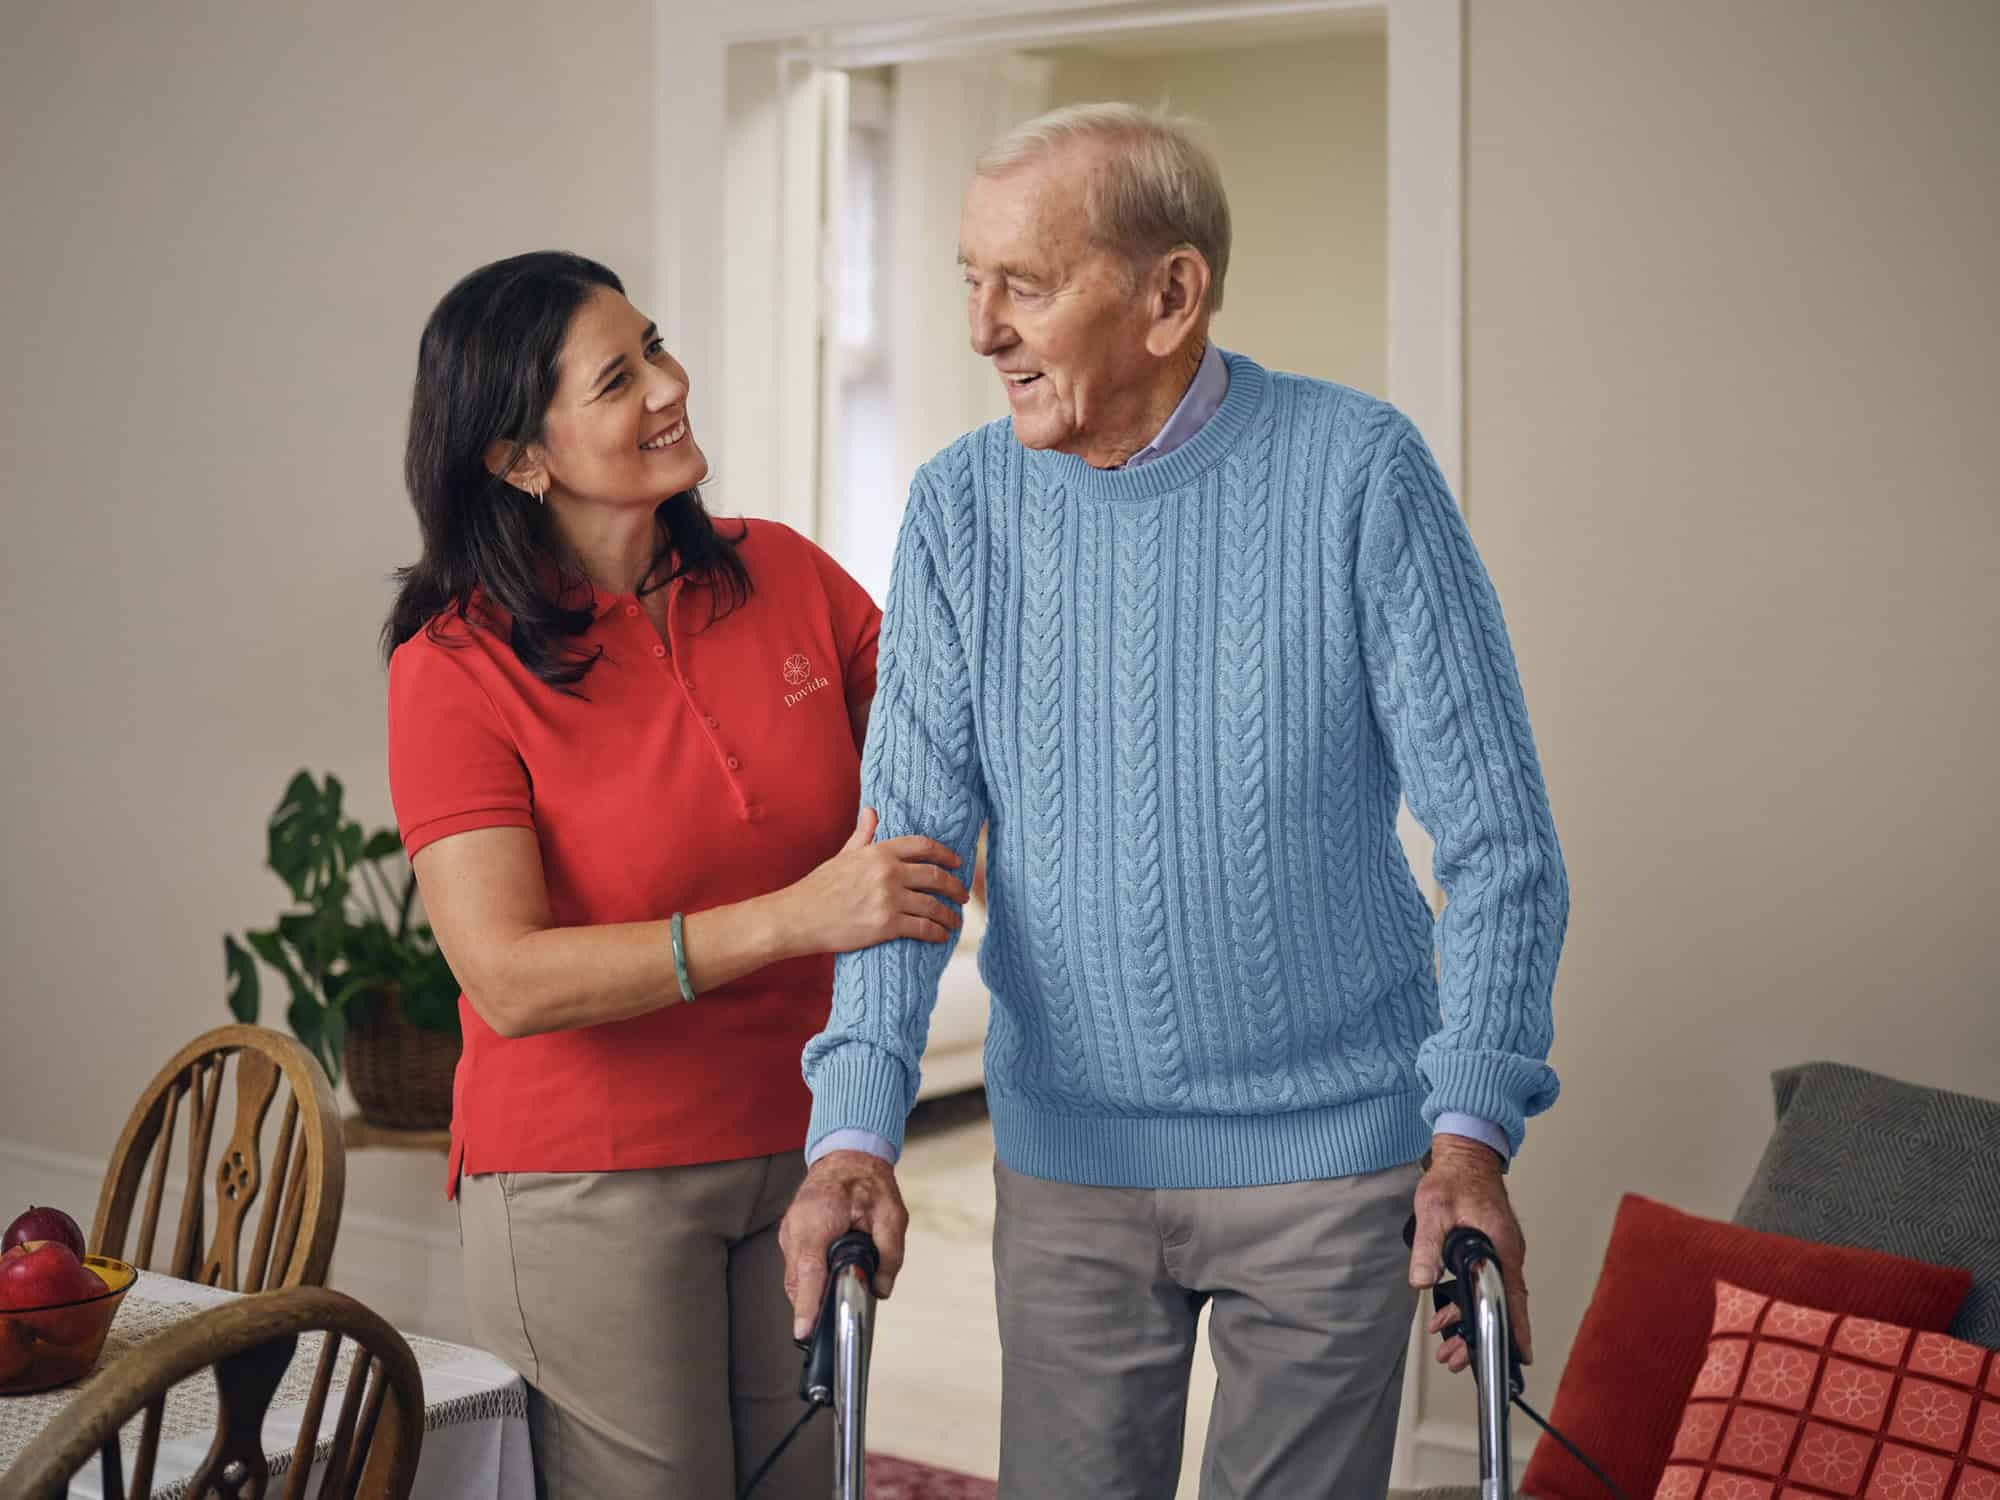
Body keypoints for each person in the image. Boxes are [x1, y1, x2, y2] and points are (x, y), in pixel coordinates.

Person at [780, 105, 1569, 1498]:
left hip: (1335, 1161)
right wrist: (854, 1129)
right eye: (968, 281)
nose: (981, 330)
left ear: (1171, 295)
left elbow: (1502, 849)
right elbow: (904, 859)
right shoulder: (961, 509)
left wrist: (1468, 1134)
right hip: (1069, 1166)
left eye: (1023, 284)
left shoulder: (1356, 473)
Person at [382, 250, 969, 1499]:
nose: (668, 385)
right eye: (617, 376)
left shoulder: (786, 575)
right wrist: (794, 918)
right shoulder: (454, 666)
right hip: (588, 1179)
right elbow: (507, 977)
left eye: (655, 347)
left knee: (802, 1483)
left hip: (807, 1141)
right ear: (517, 456)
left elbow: (954, 748)